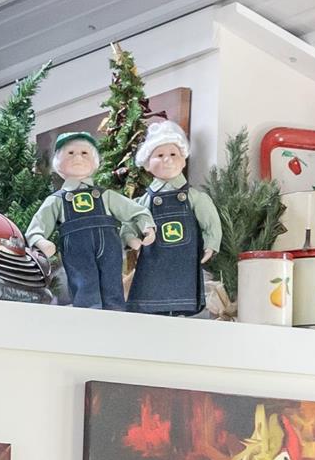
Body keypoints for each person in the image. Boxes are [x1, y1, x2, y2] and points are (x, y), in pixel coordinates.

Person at [24, 130, 149, 309]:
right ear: (58, 163)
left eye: (84, 153)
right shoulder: (57, 200)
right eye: (70, 153)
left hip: (110, 249)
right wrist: (40, 241)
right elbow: (36, 227)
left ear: (95, 162)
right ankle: (88, 315)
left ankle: (116, 314)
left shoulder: (106, 196)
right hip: (77, 250)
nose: (78, 158)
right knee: (84, 285)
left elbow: (137, 211)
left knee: (112, 284)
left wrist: (143, 228)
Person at [124, 120, 221, 316]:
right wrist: (132, 239)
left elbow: (211, 223)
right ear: (147, 164)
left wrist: (211, 244)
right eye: (159, 155)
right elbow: (129, 224)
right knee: (150, 299)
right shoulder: (144, 201)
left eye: (173, 154)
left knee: (182, 300)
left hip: (184, 263)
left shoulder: (195, 197)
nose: (167, 160)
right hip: (153, 263)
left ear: (183, 160)